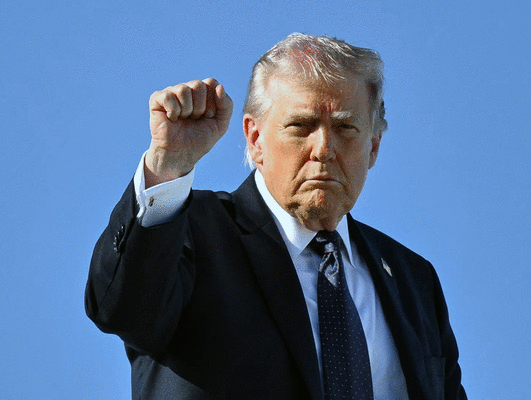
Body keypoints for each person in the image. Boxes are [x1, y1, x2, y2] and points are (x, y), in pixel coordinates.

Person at [85, 33, 467, 400]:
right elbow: (124, 311)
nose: (323, 149)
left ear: (374, 147)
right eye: (301, 126)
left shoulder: (414, 281)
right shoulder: (189, 231)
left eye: (345, 127)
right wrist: (167, 166)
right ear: (255, 139)